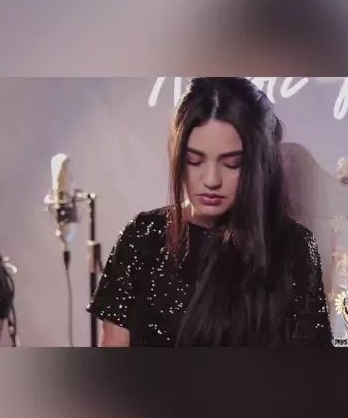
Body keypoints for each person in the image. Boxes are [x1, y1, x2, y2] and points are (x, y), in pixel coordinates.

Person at [87, 77, 333, 347]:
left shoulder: (294, 246)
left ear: (258, 164)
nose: (211, 180)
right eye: (194, 161)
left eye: (232, 164)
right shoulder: (143, 236)